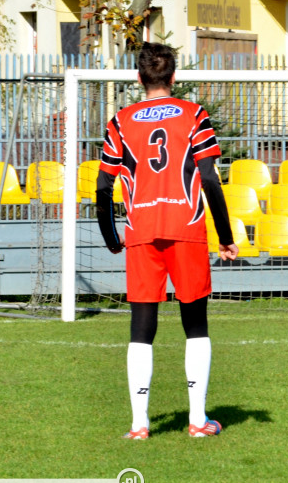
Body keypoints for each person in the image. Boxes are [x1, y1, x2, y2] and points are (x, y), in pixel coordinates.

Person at [96, 42, 239, 440]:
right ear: (173, 77)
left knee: (142, 327)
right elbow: (209, 178)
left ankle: (140, 425)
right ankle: (197, 421)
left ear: (139, 78)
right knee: (195, 325)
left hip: (141, 232)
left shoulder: (121, 121)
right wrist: (225, 237)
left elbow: (104, 184)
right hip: (187, 228)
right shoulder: (194, 115)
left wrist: (111, 235)